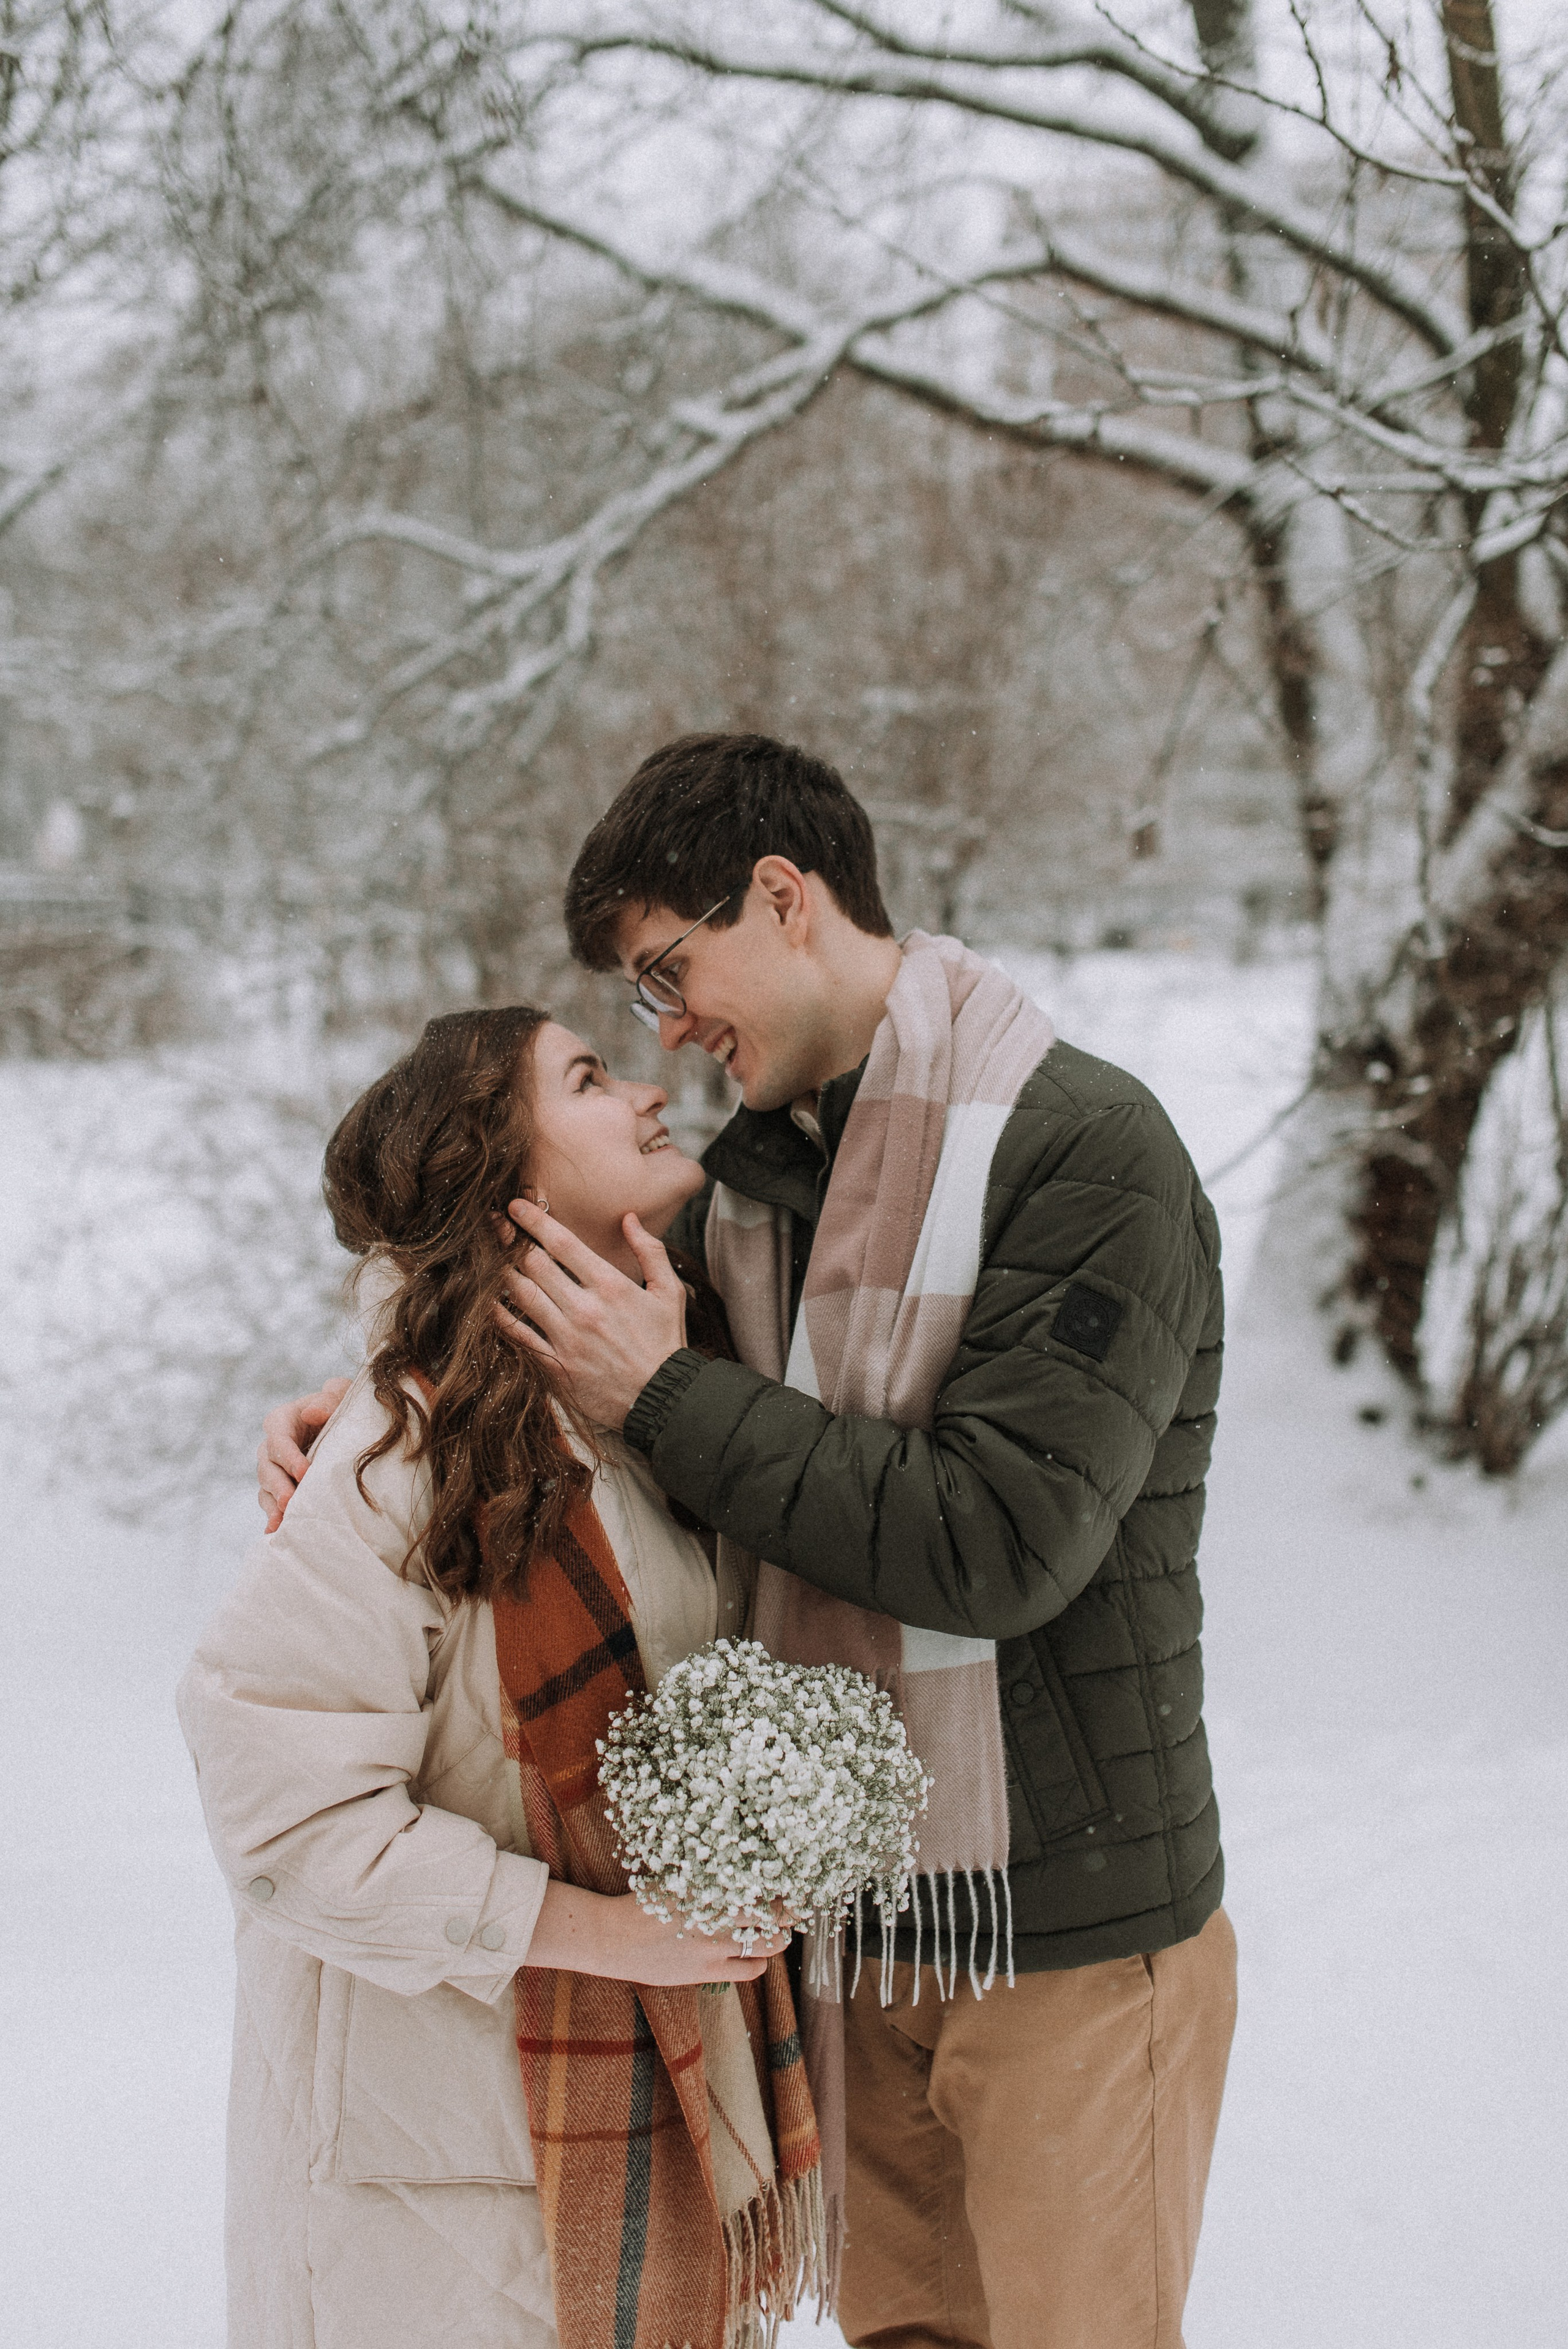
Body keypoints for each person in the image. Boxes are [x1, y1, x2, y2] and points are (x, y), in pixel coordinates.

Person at [262, 734, 1238, 2349]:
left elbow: (997, 1538)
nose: (669, 1029)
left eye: (672, 969)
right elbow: (551, 1346)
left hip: (1068, 1936)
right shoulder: (751, 1187)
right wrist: (371, 1408)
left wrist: (666, 1386)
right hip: (849, 1930)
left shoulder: (1081, 1151)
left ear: (783, 898)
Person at [184, 1006, 824, 2349]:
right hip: (432, 2198)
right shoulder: (400, 1455)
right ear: (511, 1185)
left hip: (631, 2142)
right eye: (590, 1077)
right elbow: (285, 1820)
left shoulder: (650, 1403)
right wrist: (612, 1935)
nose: (651, 1089)